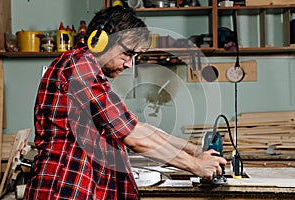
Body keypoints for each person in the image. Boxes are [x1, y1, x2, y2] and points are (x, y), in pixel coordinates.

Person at [24, 5, 227, 200]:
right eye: (128, 53)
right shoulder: (80, 69)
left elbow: (134, 127)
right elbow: (134, 138)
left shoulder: (85, 68)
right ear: (101, 41)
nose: (130, 64)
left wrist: (193, 149)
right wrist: (196, 166)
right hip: (63, 189)